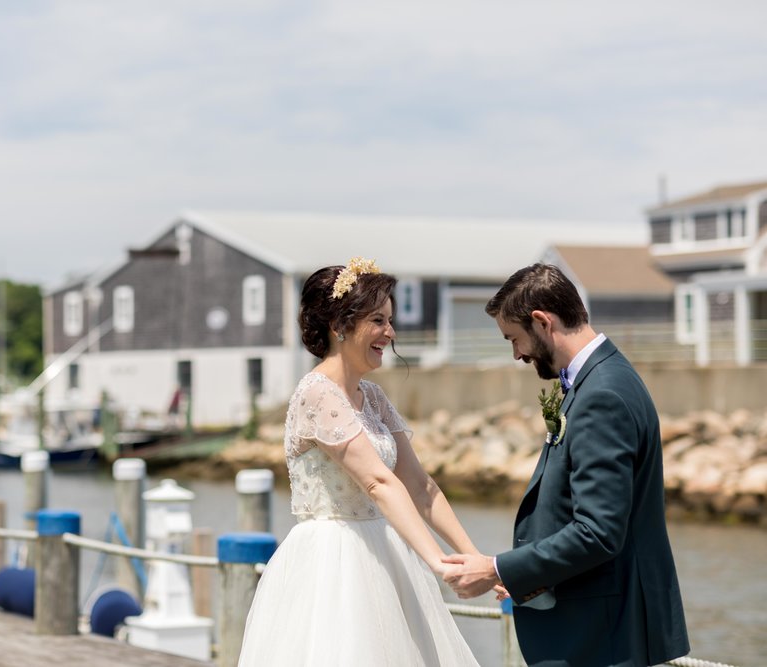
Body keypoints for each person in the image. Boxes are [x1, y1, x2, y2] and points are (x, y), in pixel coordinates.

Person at [441, 263, 690, 667]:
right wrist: (523, 578)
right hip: (597, 624)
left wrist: (496, 568)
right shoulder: (600, 378)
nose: (517, 353)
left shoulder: (601, 394)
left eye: (514, 338)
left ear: (542, 322)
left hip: (600, 634)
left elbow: (598, 531)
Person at [238, 258, 482, 666]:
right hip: (333, 566)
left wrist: (473, 559)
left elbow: (420, 486)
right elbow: (379, 483)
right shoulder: (318, 393)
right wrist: (439, 564)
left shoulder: (373, 398)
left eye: (390, 320)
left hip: (386, 556)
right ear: (339, 326)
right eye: (377, 320)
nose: (390, 333)